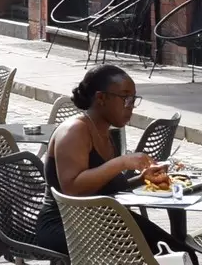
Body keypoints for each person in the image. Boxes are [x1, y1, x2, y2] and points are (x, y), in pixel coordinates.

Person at [34, 63, 163, 254]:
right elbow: (72, 188)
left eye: (133, 99)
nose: (131, 106)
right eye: (125, 98)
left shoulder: (104, 132)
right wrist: (122, 162)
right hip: (64, 224)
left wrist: (141, 179)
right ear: (101, 98)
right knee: (165, 254)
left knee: (176, 251)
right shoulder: (75, 130)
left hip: (98, 219)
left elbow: (102, 185)